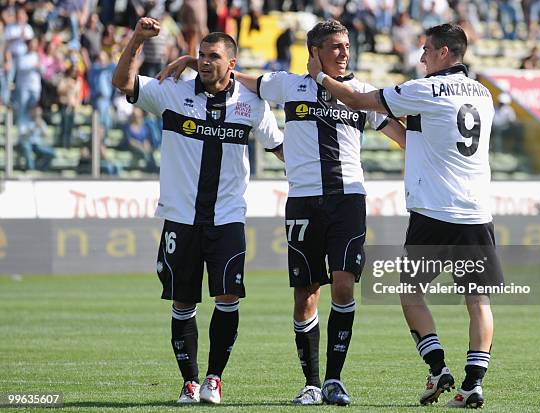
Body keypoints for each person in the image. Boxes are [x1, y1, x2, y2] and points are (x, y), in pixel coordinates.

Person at [158, 19, 406, 406]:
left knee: (343, 284)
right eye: (336, 47)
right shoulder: (287, 85)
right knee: (306, 293)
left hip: (348, 198)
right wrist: (196, 62)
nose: (345, 53)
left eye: (346, 46)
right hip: (304, 200)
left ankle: (334, 380)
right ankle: (310, 382)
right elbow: (235, 77)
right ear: (315, 52)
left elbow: (401, 135)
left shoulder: (359, 93)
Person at [307, 23, 503, 408]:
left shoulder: (424, 89)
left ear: (445, 52)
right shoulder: (483, 94)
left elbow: (359, 99)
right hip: (478, 211)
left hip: (434, 211)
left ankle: (437, 367)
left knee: (410, 291)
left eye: (427, 50)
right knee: (479, 302)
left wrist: (320, 76)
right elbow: (428, 131)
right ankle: (473, 384)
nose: (422, 57)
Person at [111, 18, 284, 404]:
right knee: (183, 302)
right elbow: (123, 82)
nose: (205, 62)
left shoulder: (251, 102)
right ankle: (189, 382)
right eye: (201, 56)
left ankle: (214, 379)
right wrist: (137, 38)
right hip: (180, 216)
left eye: (213, 57)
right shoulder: (172, 92)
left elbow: (278, 146)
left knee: (227, 298)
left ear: (232, 62)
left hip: (227, 218)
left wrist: (309, 177)